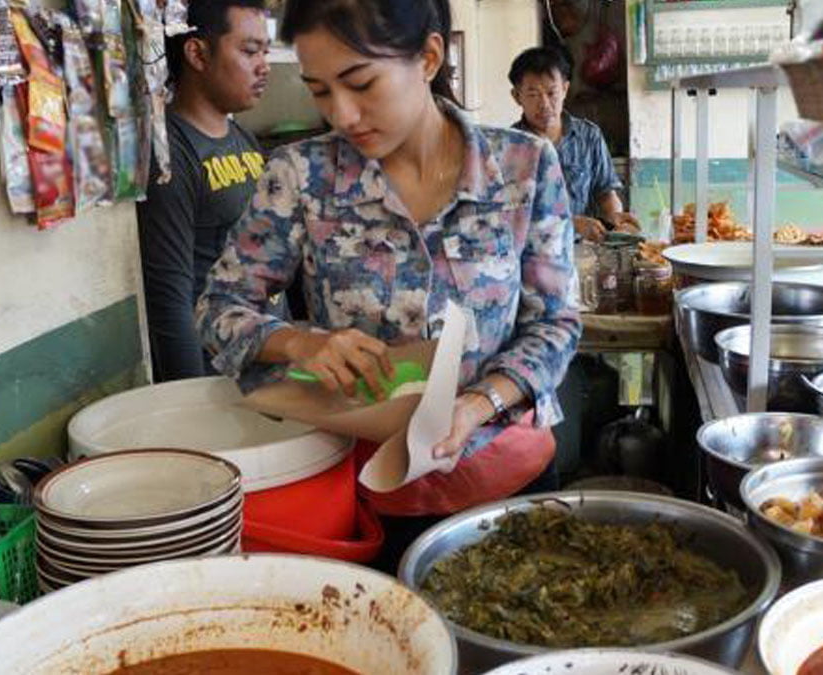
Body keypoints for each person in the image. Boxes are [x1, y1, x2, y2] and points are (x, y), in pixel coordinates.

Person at [195, 0, 580, 570]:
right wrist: (303, 343)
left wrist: (479, 402)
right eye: (320, 91)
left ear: (427, 57)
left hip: (508, 479)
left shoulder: (523, 166)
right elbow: (219, 307)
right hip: (370, 492)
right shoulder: (302, 177)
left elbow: (557, 321)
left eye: (360, 83)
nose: (343, 115)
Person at [136, 0, 271, 382]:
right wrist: (190, 402)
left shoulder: (243, 140)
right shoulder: (171, 155)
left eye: (265, 50)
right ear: (197, 53)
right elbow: (169, 299)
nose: (264, 66)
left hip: (262, 359)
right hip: (213, 373)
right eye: (249, 51)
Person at [509, 46, 638, 242]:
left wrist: (615, 218)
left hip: (583, 252)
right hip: (532, 255)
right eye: (533, 94)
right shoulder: (509, 145)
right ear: (517, 96)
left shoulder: (588, 136)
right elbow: (510, 215)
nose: (544, 104)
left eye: (552, 92)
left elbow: (605, 192)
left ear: (565, 90)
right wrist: (571, 222)